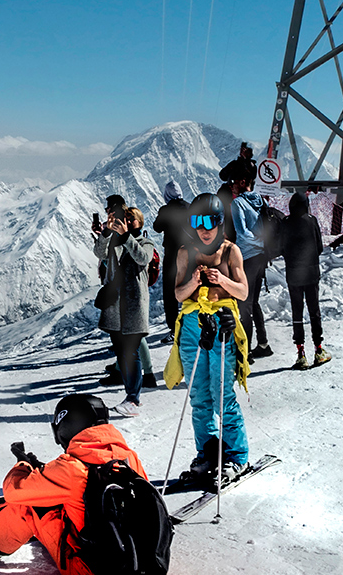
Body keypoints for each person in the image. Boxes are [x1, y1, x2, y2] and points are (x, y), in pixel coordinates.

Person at [0, 394, 149, 573]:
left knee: (29, 503)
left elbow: (13, 490)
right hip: (138, 562)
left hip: (88, 569)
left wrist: (23, 466)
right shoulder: (128, 458)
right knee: (62, 498)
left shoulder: (72, 468)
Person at [165, 193, 251, 483]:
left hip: (222, 324)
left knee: (222, 394)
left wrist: (221, 280)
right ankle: (208, 452)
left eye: (209, 222)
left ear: (219, 222)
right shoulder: (185, 253)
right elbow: (178, 294)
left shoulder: (230, 252)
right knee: (199, 395)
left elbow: (243, 291)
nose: (203, 229)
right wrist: (193, 282)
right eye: (197, 222)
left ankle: (236, 456)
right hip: (193, 325)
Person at [94, 206, 153, 416]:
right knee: (122, 352)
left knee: (131, 352)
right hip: (115, 306)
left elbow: (142, 258)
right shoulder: (115, 242)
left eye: (131, 219)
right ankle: (132, 395)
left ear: (139, 222)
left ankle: (133, 399)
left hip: (134, 306)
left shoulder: (145, 242)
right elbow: (99, 253)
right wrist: (105, 233)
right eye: (125, 218)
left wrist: (126, 236)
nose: (126, 221)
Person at [281, 192, 331, 369]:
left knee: (297, 312)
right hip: (311, 273)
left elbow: (281, 247)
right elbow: (319, 247)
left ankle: (301, 353)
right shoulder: (312, 221)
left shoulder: (285, 222)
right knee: (314, 310)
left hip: (293, 274)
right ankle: (319, 349)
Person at [229, 171, 272, 359]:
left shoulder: (237, 203)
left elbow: (241, 231)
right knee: (253, 302)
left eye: (233, 181)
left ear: (242, 182)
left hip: (246, 257)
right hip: (261, 258)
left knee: (244, 303)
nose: (231, 185)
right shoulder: (261, 201)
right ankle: (263, 344)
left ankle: (244, 352)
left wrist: (256, 242)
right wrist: (263, 244)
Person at [153, 181, 191, 346]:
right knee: (189, 288)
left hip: (172, 255)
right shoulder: (190, 206)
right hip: (189, 254)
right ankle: (191, 324)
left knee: (170, 292)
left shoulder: (166, 210)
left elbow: (157, 227)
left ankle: (174, 328)